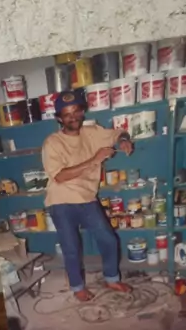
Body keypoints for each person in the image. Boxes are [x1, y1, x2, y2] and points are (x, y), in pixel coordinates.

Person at [42, 91, 134, 303]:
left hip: (87, 198)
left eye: (76, 111)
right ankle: (77, 288)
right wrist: (95, 159)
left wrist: (123, 140)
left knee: (108, 239)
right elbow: (60, 176)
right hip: (61, 200)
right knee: (71, 247)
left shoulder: (92, 132)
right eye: (67, 114)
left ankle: (111, 279)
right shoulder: (52, 142)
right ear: (59, 118)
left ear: (83, 111)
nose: (73, 117)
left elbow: (117, 133)